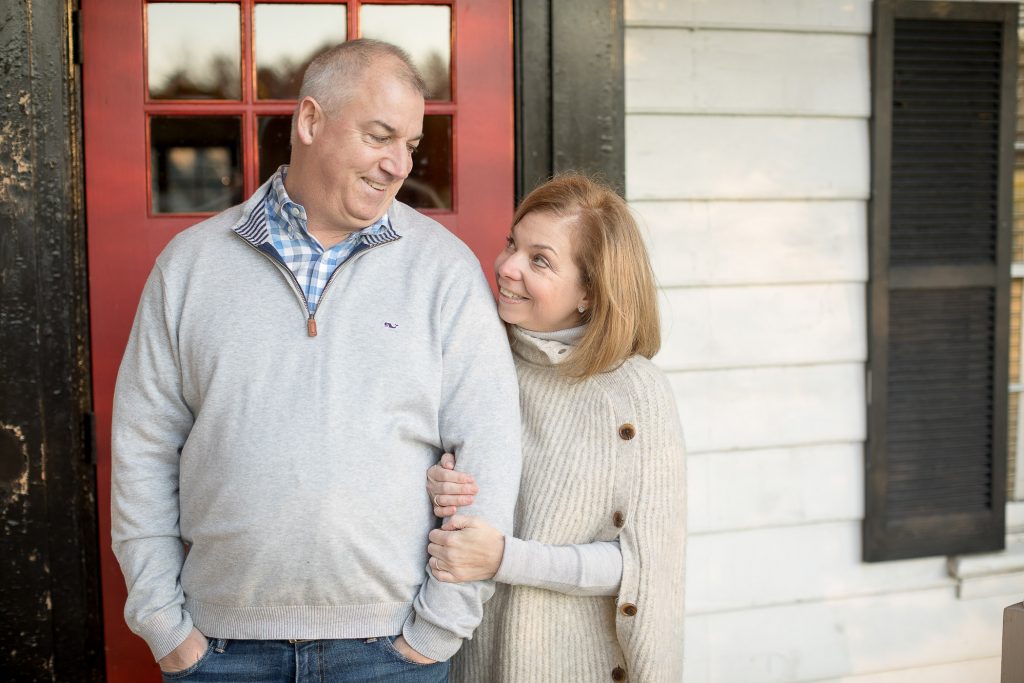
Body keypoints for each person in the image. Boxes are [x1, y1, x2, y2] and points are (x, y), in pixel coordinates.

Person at [110, 39, 521, 682]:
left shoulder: (443, 269)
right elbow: (143, 450)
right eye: (379, 136)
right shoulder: (191, 267)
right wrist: (166, 626)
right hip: (219, 652)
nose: (397, 165)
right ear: (309, 122)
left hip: (389, 651)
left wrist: (438, 628)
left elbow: (489, 448)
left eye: (410, 144)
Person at [424, 174, 687, 682]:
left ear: (590, 290)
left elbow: (640, 569)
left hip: (573, 665)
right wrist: (436, 481)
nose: (507, 267)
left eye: (540, 260)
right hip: (473, 658)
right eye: (511, 244)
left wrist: (505, 558)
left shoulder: (635, 394)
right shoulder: (472, 359)